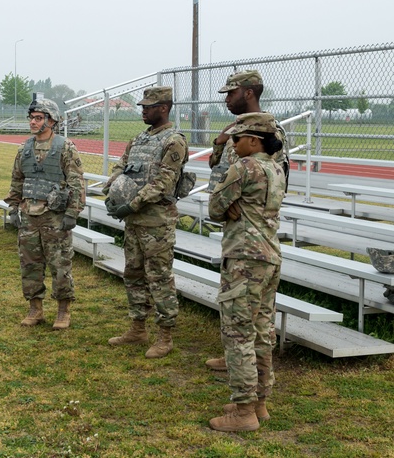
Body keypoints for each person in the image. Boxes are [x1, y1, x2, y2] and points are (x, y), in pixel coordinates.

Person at [204, 69, 290, 373]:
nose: (227, 99)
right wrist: (219, 141)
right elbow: (217, 165)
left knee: (247, 310)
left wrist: (233, 203)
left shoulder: (270, 131)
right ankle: (236, 359)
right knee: (239, 305)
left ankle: (244, 369)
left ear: (249, 93)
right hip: (235, 226)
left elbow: (273, 182)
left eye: (231, 93)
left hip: (251, 229)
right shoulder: (236, 128)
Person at [206, 112, 286, 432]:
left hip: (244, 260)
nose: (234, 145)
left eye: (237, 139)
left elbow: (214, 207)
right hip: (269, 259)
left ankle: (243, 411)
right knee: (263, 333)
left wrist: (227, 205)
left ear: (254, 140)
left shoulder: (244, 167)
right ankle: (260, 402)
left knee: (238, 334)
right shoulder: (276, 168)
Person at [104, 86, 188, 359]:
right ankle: (137, 328)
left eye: (148, 106)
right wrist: (111, 189)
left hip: (156, 223)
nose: (143, 110)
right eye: (142, 106)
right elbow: (121, 165)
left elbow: (165, 181)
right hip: (134, 220)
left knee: (159, 277)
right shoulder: (138, 139)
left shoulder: (173, 141)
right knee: (133, 274)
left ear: (164, 108)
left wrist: (133, 203)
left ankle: (166, 336)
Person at [4, 98, 86, 329]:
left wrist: (72, 213)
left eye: (38, 118)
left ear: (51, 121)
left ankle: (63, 311)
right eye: (31, 117)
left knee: (60, 264)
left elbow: (76, 182)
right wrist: (13, 207)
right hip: (29, 215)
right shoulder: (24, 148)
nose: (33, 122)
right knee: (30, 264)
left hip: (55, 216)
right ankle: (35, 308)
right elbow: (17, 179)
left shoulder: (65, 147)